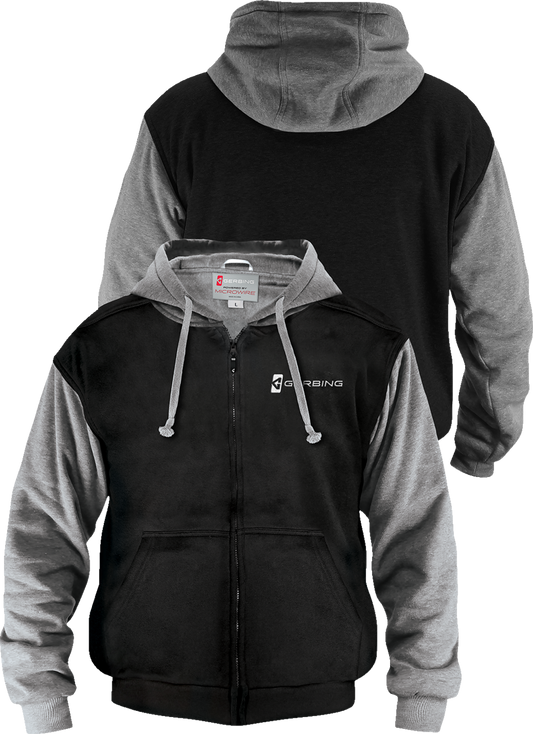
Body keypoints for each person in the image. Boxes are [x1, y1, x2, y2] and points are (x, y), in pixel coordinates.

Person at [1, 237, 461, 733]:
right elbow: (44, 524)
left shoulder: (365, 345)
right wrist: (40, 696)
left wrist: (423, 696)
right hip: (137, 696)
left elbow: (416, 523)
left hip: (324, 693)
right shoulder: (102, 346)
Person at [97, 0, 531, 480]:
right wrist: (482, 441)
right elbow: (497, 307)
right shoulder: (451, 121)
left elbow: (129, 304)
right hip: (400, 449)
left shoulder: (179, 117)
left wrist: (139, 446)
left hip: (226, 451)